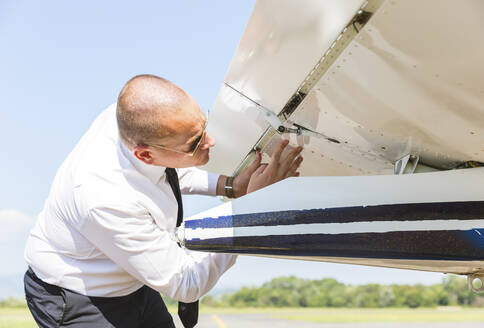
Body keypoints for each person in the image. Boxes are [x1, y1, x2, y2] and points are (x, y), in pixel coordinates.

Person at [24, 74, 303, 328]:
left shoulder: (132, 122)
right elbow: (186, 282)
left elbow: (166, 168)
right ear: (144, 154)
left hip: (131, 282)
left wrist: (229, 185)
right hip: (79, 297)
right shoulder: (102, 197)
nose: (211, 141)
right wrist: (249, 209)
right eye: (195, 143)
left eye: (204, 125)